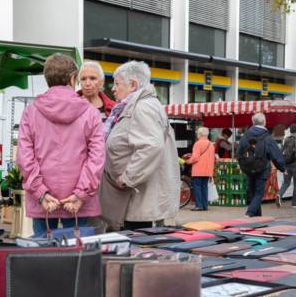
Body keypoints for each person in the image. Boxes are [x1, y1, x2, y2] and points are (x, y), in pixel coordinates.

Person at [17, 53, 105, 237]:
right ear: (73, 79)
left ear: (47, 79)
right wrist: (81, 193)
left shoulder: (31, 112)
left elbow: (25, 158)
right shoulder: (90, 113)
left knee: (42, 255)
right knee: (76, 255)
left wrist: (40, 192)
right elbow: (96, 158)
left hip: (43, 198)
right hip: (76, 198)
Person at [100, 61, 180, 230]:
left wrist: (127, 178)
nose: (113, 88)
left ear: (133, 85)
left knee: (139, 249)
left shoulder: (142, 107)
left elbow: (151, 146)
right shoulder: (140, 105)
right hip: (138, 198)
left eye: (117, 84)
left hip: (141, 201)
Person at [236, 112, 285, 217]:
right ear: (264, 122)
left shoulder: (245, 136)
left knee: (253, 192)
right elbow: (275, 154)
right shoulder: (267, 138)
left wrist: (243, 164)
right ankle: (249, 213)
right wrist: (282, 168)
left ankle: (257, 217)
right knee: (259, 193)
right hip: (262, 168)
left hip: (249, 168)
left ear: (252, 122)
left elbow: (239, 152)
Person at [184, 127, 216, 211]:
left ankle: (199, 205)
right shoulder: (211, 144)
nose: (197, 135)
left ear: (200, 134)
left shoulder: (198, 144)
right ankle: (205, 205)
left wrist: (188, 161)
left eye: (197, 133)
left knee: (197, 187)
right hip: (208, 169)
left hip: (198, 169)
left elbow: (195, 158)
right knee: (204, 187)